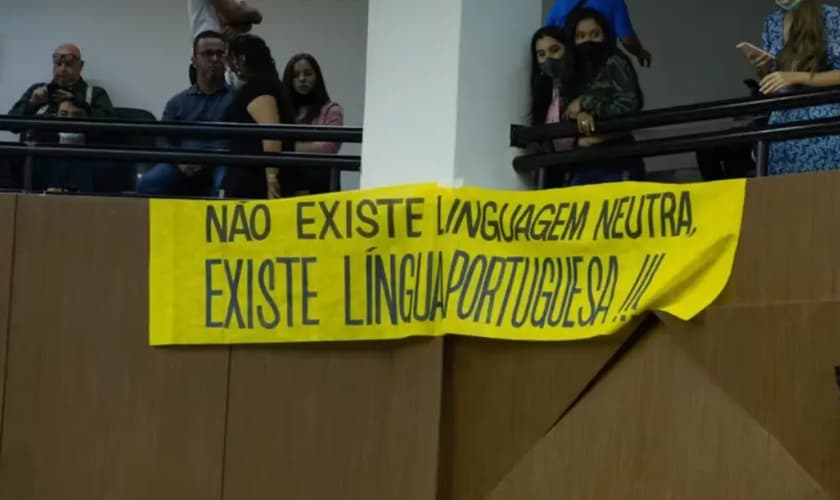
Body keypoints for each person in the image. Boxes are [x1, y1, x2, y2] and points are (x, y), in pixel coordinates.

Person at [747, 0, 840, 175]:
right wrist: (762, 68)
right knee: (787, 196)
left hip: (824, 126)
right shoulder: (772, 22)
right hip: (782, 126)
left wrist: (797, 77)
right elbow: (774, 81)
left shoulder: (831, 17)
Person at [137, 31, 235, 197]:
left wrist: (211, 160)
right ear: (194, 61)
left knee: (225, 186)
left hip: (223, 162)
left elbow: (241, 142)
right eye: (207, 54)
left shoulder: (238, 99)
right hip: (181, 163)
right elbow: (162, 140)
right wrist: (180, 161)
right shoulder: (178, 102)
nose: (214, 59)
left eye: (220, 53)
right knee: (148, 183)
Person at [564, 8, 645, 185]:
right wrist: (581, 114)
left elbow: (630, 104)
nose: (588, 41)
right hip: (582, 162)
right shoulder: (572, 70)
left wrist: (586, 104)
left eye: (595, 34)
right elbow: (567, 110)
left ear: (605, 36)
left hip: (618, 159)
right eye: (581, 36)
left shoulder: (614, 61)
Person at [223, 34, 296, 199]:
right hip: (248, 172)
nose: (229, 66)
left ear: (241, 59)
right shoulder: (266, 85)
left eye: (231, 58)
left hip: (254, 179)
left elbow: (271, 132)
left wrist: (271, 178)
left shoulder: (259, 88)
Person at [282, 53, 344, 193]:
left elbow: (328, 148)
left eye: (308, 73)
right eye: (296, 75)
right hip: (287, 184)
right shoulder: (282, 110)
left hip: (321, 185)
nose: (302, 79)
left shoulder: (332, 110)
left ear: (317, 77)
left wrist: (289, 147)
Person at [9, 44, 113, 119]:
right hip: (39, 148)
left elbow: (111, 125)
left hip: (79, 148)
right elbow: (11, 124)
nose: (62, 69)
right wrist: (32, 104)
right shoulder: (37, 90)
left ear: (81, 66)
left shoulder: (96, 93)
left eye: (69, 64)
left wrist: (78, 102)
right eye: (58, 64)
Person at [529, 26, 577, 188]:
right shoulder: (543, 92)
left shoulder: (583, 83)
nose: (548, 58)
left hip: (586, 168)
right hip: (556, 172)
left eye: (555, 50)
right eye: (541, 55)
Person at [545, 0, 652, 67]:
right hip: (603, 68)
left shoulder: (559, 4)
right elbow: (628, 40)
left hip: (571, 69)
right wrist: (640, 52)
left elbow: (548, 39)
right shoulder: (614, 2)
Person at [188, 0, 262, 84]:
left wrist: (239, 25)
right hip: (209, 59)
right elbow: (233, 12)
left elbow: (247, 24)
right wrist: (257, 13)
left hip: (227, 59)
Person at [32, 98, 96, 193]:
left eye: (77, 115)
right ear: (55, 117)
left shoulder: (101, 156)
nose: (70, 119)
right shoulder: (40, 156)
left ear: (88, 119)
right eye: (63, 114)